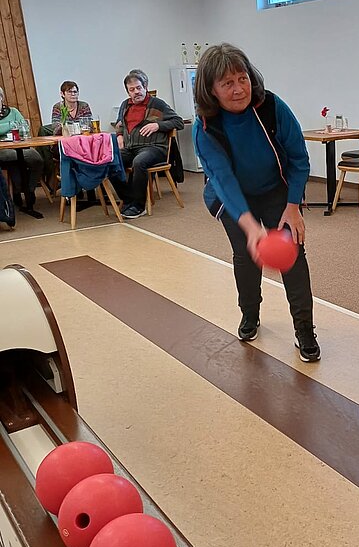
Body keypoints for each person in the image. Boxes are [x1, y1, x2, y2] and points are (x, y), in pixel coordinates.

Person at [192, 43, 320, 363]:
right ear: (211, 90)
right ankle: (250, 313)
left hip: (275, 190)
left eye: (243, 79)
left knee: (292, 254)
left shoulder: (272, 107)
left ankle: (304, 329)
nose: (239, 89)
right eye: (227, 83)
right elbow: (223, 180)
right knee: (247, 256)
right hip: (232, 196)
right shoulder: (205, 127)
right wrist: (250, 226)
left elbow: (299, 159)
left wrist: (293, 206)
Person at [112, 69, 184, 218]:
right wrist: (119, 136)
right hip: (130, 148)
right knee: (110, 160)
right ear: (128, 92)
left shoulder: (157, 104)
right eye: (132, 90)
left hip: (154, 148)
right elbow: (120, 125)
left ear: (145, 87)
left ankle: (139, 206)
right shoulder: (125, 105)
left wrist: (158, 125)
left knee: (139, 162)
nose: (136, 92)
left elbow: (179, 122)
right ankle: (129, 199)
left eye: (139, 88)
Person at [50, 81, 95, 204]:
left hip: (82, 142)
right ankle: (73, 190)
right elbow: (56, 127)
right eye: (70, 92)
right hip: (65, 144)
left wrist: (70, 127)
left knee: (90, 153)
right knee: (71, 157)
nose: (73, 94)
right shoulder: (58, 107)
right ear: (62, 94)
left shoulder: (84, 105)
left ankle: (90, 189)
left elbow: (89, 125)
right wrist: (72, 128)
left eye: (75, 91)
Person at [0, 87, 43, 210]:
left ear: (2, 98)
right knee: (16, 160)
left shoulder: (13, 111)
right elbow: (17, 125)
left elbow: (24, 126)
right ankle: (18, 190)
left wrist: (7, 127)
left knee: (37, 159)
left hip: (19, 145)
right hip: (2, 150)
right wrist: (11, 125)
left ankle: (29, 189)